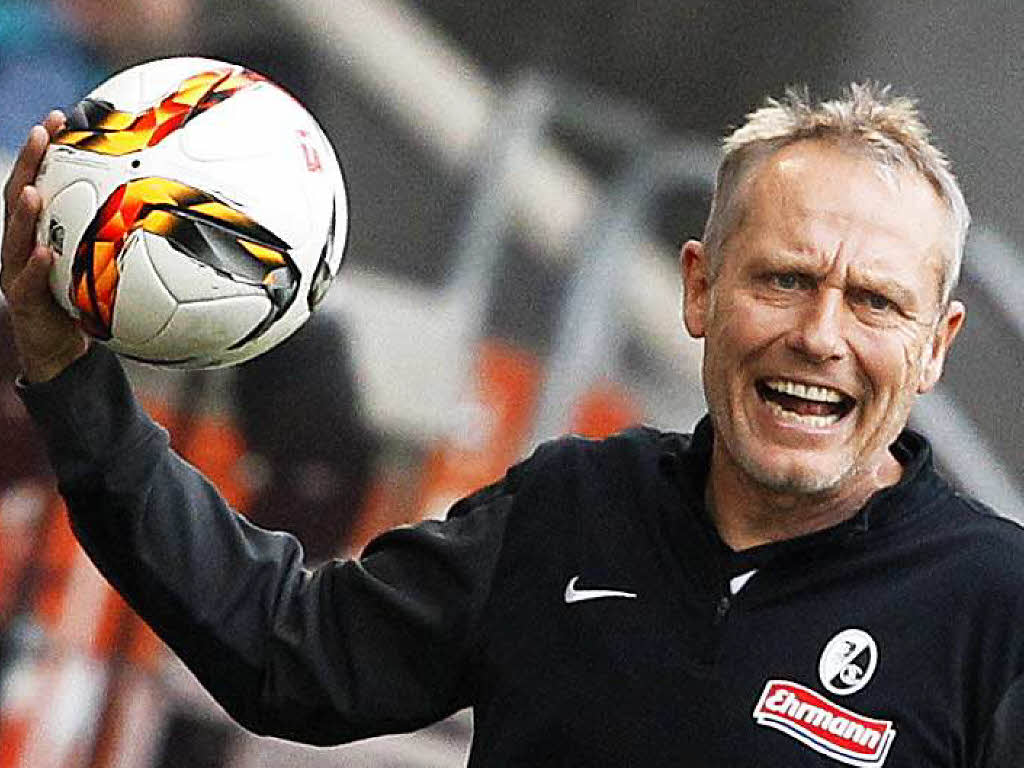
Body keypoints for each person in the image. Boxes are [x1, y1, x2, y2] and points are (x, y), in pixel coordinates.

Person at [4, 84, 1024, 767]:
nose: (820, 335)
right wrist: (68, 377)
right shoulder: (572, 506)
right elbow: (288, 650)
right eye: (786, 280)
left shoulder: (998, 610)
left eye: (875, 303)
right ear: (701, 289)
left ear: (935, 345)